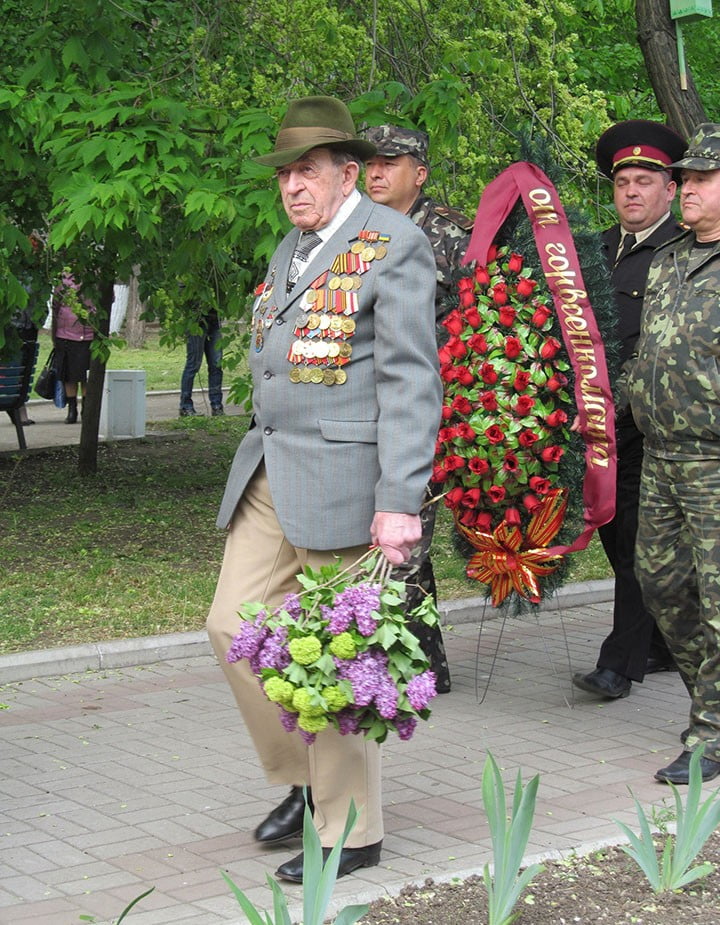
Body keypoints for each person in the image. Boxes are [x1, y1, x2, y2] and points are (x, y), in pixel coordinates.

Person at [205, 97, 441, 881]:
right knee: (230, 625)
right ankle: (307, 781)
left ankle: (352, 830)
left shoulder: (393, 245)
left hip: (347, 480)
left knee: (340, 657)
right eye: (285, 174)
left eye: (307, 171)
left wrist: (400, 500)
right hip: (272, 470)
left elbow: (411, 380)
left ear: (348, 174)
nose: (292, 186)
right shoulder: (292, 249)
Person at [572, 120, 686, 701]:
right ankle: (664, 642)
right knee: (614, 535)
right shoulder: (592, 253)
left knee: (639, 542)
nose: (632, 192)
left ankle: (618, 665)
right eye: (624, 183)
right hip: (594, 425)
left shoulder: (685, 252)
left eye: (646, 181)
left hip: (650, 427)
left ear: (670, 189)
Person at [364, 124, 474, 694]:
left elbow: (481, 321)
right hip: (369, 406)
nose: (376, 172)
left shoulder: (451, 235)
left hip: (429, 409)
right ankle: (426, 665)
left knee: (403, 542)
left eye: (390, 163)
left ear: (420, 173)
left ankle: (399, 673)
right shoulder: (357, 232)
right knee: (408, 544)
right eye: (370, 163)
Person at [627, 123, 720, 783]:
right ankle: (709, 701)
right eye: (684, 178)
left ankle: (711, 733)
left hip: (715, 462)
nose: (686, 187)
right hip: (660, 455)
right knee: (662, 586)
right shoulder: (669, 258)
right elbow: (650, 350)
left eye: (701, 178)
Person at [51, 273, 95, 424]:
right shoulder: (62, 282)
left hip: (88, 335)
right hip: (65, 335)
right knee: (68, 375)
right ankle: (72, 409)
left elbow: (109, 300)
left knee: (85, 375)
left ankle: (86, 409)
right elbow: (55, 307)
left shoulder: (95, 279)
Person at [179, 307, 224, 417]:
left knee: (216, 364)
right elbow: (183, 296)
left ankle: (217, 405)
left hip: (215, 321)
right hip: (196, 322)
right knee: (193, 364)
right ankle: (186, 406)